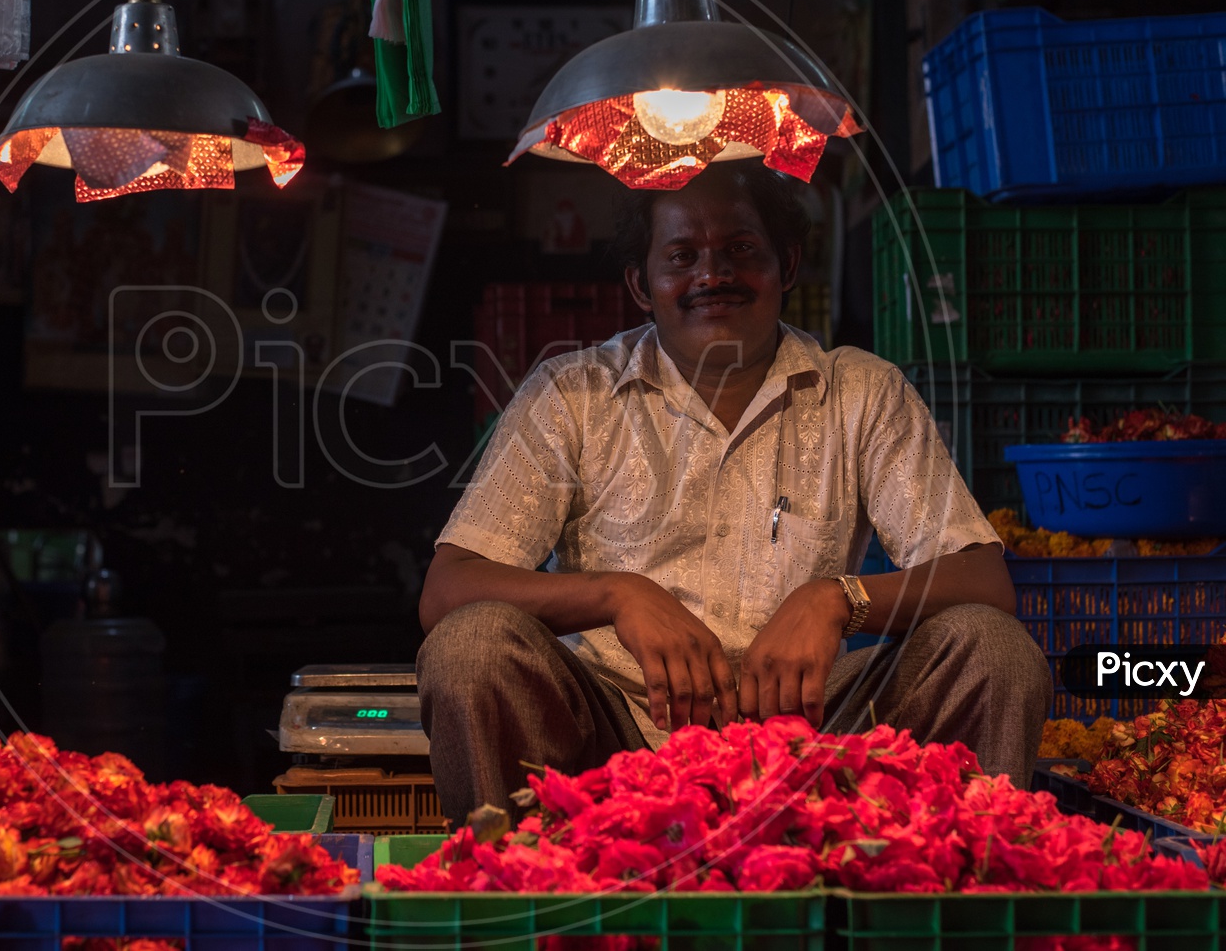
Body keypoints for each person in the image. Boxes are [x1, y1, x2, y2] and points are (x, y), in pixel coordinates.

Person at [418, 159, 1051, 826]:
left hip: (816, 737)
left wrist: (838, 599)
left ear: (788, 264)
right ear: (642, 283)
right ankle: (524, 901)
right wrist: (617, 593)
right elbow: (449, 587)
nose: (711, 276)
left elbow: (984, 578)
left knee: (992, 649)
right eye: (682, 256)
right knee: (473, 645)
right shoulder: (572, 393)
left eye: (741, 250)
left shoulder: (861, 392)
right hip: (610, 741)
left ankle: (949, 895)